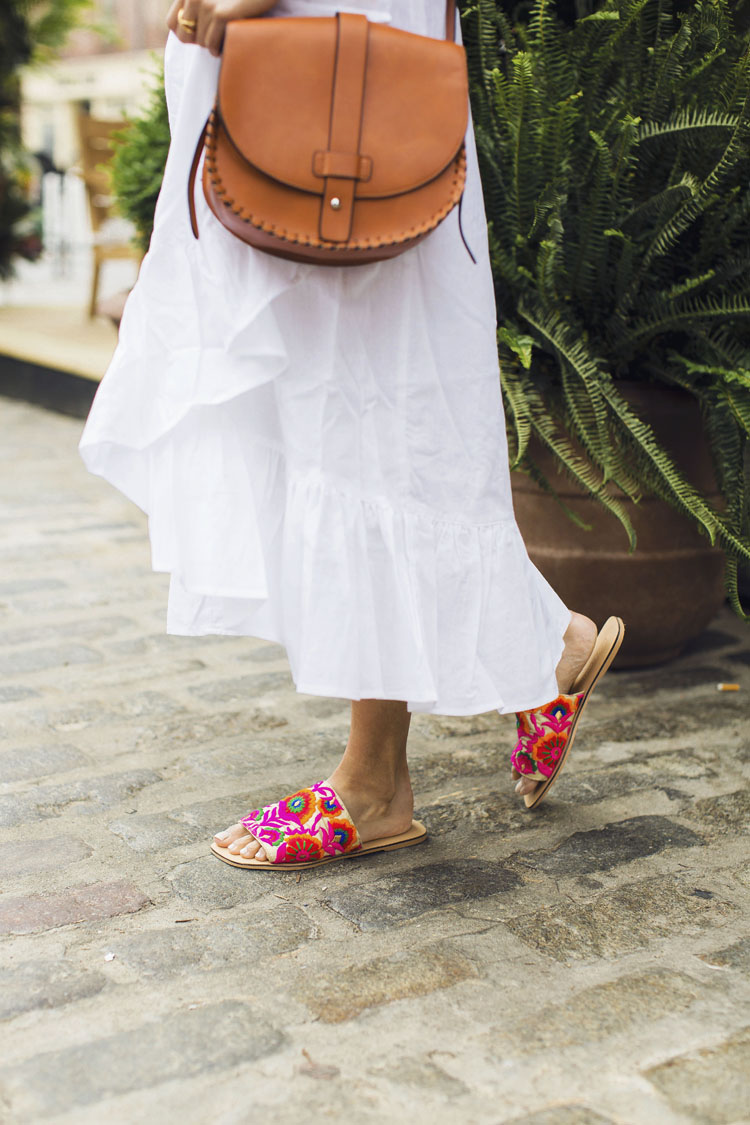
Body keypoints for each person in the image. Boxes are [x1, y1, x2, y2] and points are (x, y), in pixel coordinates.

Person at [79, 0, 623, 871]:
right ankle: (549, 641)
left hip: (346, 62)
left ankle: (375, 784)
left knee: (369, 416)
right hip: (281, 66)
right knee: (312, 403)